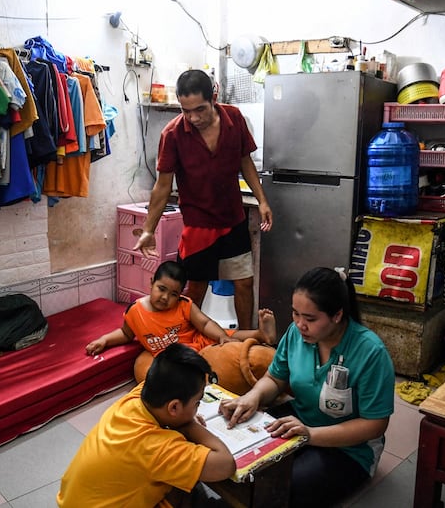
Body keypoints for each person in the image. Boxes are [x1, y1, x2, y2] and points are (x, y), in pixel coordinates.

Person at [219, 267, 395, 507]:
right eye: (295, 314)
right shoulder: (297, 334)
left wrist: (310, 435)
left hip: (348, 450)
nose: (300, 325)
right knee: (235, 456)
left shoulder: (370, 353)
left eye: (310, 319)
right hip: (299, 421)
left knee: (283, 488)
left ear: (337, 315)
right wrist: (253, 396)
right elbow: (275, 378)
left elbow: (374, 424)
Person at [133, 69, 272, 331]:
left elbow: (246, 162)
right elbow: (162, 186)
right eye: (186, 111)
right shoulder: (172, 134)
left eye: (200, 109)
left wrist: (262, 200)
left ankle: (243, 341)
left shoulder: (234, 118)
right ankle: (184, 341)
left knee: (243, 282)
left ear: (214, 98)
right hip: (198, 225)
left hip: (233, 219)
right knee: (195, 287)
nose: (193, 117)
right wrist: (149, 229)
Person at [57, 343, 235, 508]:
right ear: (174, 407)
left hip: (72, 501)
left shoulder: (135, 398)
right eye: (197, 402)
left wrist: (185, 416)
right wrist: (188, 425)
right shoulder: (156, 448)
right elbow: (226, 465)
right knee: (181, 484)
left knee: (176, 481)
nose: (197, 409)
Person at [85, 260, 276, 359]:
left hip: (200, 343)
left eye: (173, 294)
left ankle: (261, 335)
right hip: (179, 357)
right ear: (152, 283)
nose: (166, 298)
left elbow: (205, 322)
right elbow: (126, 334)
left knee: (230, 337)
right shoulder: (135, 311)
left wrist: (220, 337)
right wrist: (104, 340)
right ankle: (258, 337)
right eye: (161, 289)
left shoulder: (184, 304)